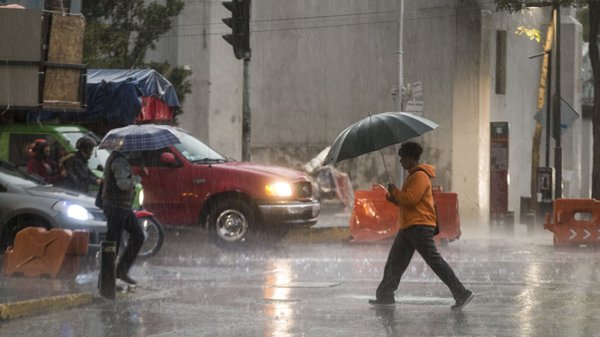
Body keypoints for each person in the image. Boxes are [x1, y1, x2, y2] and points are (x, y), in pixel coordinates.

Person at [369, 141, 473, 310]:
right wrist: (394, 198)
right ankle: (385, 295)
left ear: (410, 158)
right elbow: (408, 203)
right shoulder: (413, 176)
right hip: (409, 226)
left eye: (402, 158)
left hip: (419, 227)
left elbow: (410, 199)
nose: (401, 161)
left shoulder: (419, 176)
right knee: (394, 262)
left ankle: (461, 292)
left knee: (434, 261)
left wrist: (395, 192)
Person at [100, 149, 145, 285]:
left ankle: (120, 271)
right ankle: (107, 281)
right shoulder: (119, 160)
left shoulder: (121, 159)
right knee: (113, 243)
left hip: (122, 206)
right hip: (116, 206)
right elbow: (123, 184)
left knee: (137, 236)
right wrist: (138, 177)